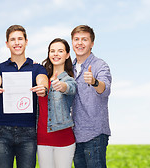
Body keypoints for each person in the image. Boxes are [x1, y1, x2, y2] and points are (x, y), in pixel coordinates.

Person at [0, 25, 48, 168]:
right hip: (2, 131)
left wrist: (43, 87)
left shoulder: (37, 68)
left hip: (28, 132)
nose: (17, 43)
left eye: (20, 39)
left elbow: (42, 80)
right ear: (7, 43)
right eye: (12, 39)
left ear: (26, 41)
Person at [71, 25, 112, 168]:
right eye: (76, 39)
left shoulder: (100, 65)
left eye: (84, 39)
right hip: (75, 134)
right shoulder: (69, 67)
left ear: (92, 43)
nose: (80, 43)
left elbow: (105, 89)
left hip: (94, 134)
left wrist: (94, 82)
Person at [37, 38, 77, 168]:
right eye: (52, 51)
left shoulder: (68, 80)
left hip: (64, 139)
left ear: (67, 55)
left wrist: (62, 86)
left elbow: (70, 88)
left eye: (60, 51)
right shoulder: (41, 79)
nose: (56, 54)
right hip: (42, 139)